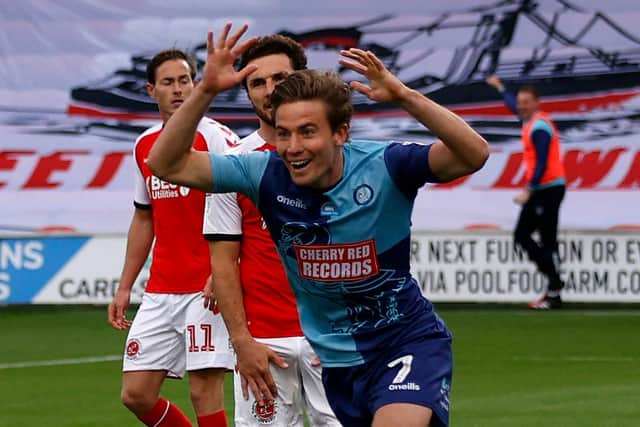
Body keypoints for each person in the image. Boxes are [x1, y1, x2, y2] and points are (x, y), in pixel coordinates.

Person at [148, 23, 489, 427]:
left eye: (308, 133)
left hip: (405, 341)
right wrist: (204, 90)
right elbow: (166, 164)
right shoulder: (261, 172)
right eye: (285, 134)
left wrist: (403, 96)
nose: (293, 147)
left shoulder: (386, 165)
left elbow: (473, 154)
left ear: (340, 132)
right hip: (338, 362)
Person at [201, 34, 341, 426]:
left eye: (279, 78)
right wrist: (241, 342)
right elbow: (223, 262)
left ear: (302, 77)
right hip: (265, 341)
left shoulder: (338, 156)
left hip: (333, 339)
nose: (269, 90)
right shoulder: (232, 164)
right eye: (256, 83)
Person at [107, 48, 236, 427]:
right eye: (168, 82)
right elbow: (144, 218)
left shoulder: (216, 138)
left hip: (206, 287)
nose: (179, 89)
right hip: (162, 289)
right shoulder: (145, 146)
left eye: (185, 80)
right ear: (151, 90)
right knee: (136, 394)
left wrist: (224, 271)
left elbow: (242, 209)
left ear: (196, 84)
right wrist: (124, 287)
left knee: (203, 390)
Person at [486, 74, 566, 310]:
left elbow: (541, 162)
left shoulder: (539, 127)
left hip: (547, 189)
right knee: (527, 237)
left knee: (538, 238)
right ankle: (554, 286)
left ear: (536, 103)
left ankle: (554, 288)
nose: (520, 106)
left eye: (525, 102)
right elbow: (512, 105)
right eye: (520, 102)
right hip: (543, 189)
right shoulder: (528, 120)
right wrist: (501, 87)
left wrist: (529, 190)